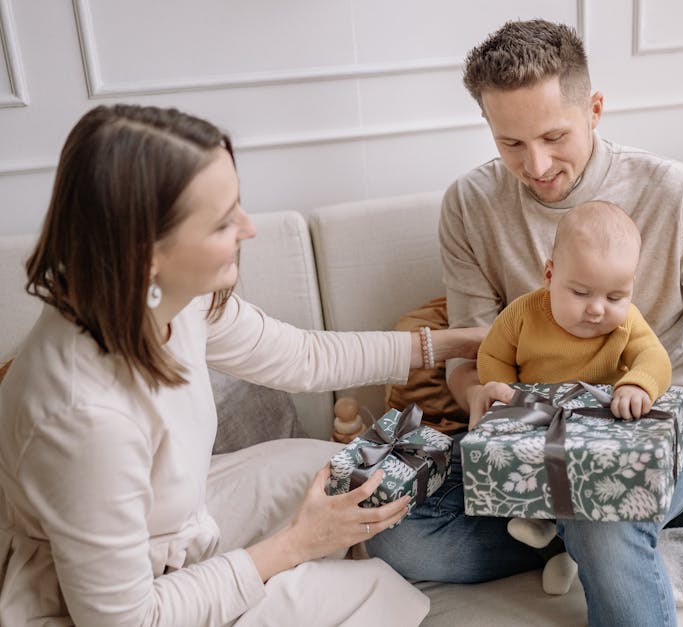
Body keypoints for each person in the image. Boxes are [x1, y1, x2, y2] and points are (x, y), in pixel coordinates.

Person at [365, 20, 683, 626]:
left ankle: (609, 520)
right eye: (511, 143)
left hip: (654, 427)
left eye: (554, 135)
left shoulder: (675, 193)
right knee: (393, 533)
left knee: (598, 503)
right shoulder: (470, 204)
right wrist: (481, 393)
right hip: (529, 435)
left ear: (594, 109)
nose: (535, 164)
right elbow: (471, 351)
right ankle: (630, 522)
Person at [0, 104, 487, 626]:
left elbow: (303, 357)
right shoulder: (84, 417)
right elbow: (123, 620)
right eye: (223, 220)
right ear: (146, 254)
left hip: (174, 523)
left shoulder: (168, 301)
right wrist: (297, 544)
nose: (249, 227)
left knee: (340, 471)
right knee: (374, 591)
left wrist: (452, 344)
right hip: (104, 606)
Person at [474, 200, 672, 595]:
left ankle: (557, 540)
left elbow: (655, 356)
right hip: (539, 424)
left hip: (604, 429)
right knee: (518, 470)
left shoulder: (627, 322)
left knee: (601, 483)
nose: (598, 309)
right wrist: (499, 389)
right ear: (550, 275)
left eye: (616, 296)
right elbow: (492, 354)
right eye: (581, 292)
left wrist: (637, 384)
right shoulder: (523, 314)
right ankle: (550, 541)